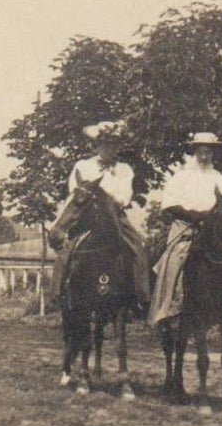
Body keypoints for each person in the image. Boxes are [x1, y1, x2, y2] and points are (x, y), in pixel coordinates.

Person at [49, 121, 150, 307]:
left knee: (138, 246)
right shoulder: (83, 165)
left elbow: (125, 196)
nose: (109, 148)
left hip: (113, 214)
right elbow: (75, 190)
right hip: (86, 213)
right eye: (104, 144)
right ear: (96, 145)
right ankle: (57, 293)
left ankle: (141, 295)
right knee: (68, 248)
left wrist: (109, 198)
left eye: (113, 144)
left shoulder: (124, 169)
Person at [148, 131, 222, 325]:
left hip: (216, 229)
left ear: (214, 153)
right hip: (186, 227)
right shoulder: (181, 177)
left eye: (209, 151)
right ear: (195, 152)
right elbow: (170, 205)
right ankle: (168, 309)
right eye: (201, 151)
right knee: (174, 260)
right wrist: (195, 216)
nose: (205, 156)